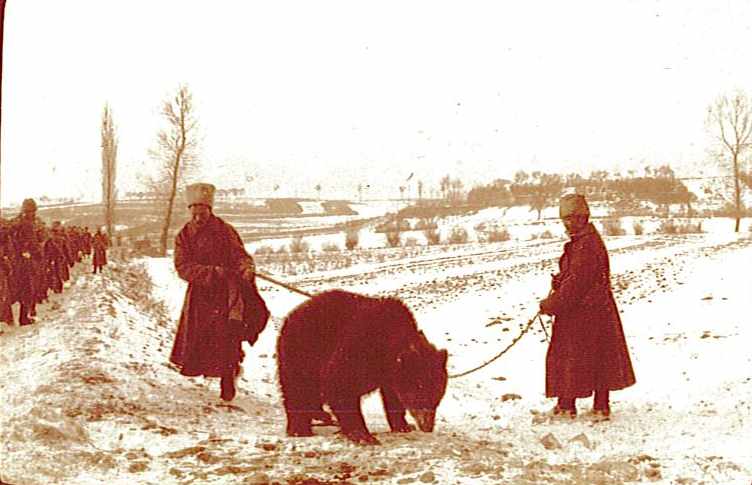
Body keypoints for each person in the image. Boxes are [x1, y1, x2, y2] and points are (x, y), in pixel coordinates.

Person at [169, 183, 270, 402]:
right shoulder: (183, 235)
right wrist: (213, 272)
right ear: (189, 211)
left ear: (210, 210)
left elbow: (241, 255)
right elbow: (182, 267)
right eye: (194, 213)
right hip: (201, 297)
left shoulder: (226, 230)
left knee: (229, 336)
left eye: (202, 213)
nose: (198, 218)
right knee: (204, 339)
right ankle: (217, 372)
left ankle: (228, 377)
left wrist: (246, 267)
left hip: (228, 295)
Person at [539, 193, 635, 421]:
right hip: (589, 311)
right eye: (565, 219)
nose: (567, 223)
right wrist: (560, 280)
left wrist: (552, 304)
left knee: (576, 358)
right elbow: (573, 277)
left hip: (586, 313)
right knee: (594, 358)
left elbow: (577, 284)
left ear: (584, 217)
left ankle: (571, 406)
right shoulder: (583, 241)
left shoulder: (587, 245)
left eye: (572, 218)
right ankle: (587, 405)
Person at [11, 198, 42, 325]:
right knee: (28, 288)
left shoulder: (16, 221)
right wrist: (37, 254)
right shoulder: (27, 223)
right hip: (25, 260)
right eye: (33, 211)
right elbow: (33, 242)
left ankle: (24, 316)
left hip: (15, 260)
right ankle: (24, 318)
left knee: (19, 288)